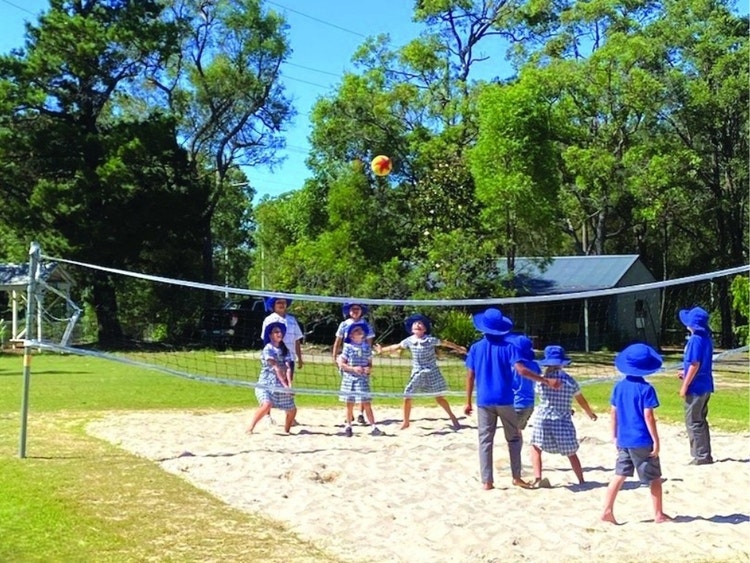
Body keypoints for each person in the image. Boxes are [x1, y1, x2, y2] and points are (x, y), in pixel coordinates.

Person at [464, 308, 561, 490]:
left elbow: (470, 376)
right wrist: (545, 380)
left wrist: (467, 401)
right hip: (505, 399)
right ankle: (516, 477)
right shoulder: (509, 348)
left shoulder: (476, 348)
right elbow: (522, 370)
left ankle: (487, 482)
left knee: (485, 441)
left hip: (484, 400)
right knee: (514, 439)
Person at [602, 342, 672, 524]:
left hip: (624, 439)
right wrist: (656, 441)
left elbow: (613, 412)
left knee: (620, 474)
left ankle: (607, 510)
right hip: (641, 440)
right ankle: (658, 514)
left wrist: (614, 435)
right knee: (655, 478)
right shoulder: (646, 389)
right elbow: (648, 416)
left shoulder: (619, 387)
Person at [376, 313, 464, 430]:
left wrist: (458, 348)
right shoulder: (409, 341)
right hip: (417, 372)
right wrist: (382, 350)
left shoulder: (430, 340)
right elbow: (396, 347)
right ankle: (406, 422)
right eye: (415, 323)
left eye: (420, 323)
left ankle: (453, 418)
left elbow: (445, 343)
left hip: (432, 372)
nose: (418, 325)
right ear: (411, 329)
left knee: (439, 398)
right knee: (407, 396)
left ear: (425, 329)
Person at [529, 345, 597, 487]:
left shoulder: (541, 381)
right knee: (571, 452)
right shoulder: (570, 381)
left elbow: (541, 395)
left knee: (536, 447)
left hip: (543, 418)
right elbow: (581, 400)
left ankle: (537, 477)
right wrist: (590, 413)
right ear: (562, 363)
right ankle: (581, 480)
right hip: (562, 420)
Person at [677, 306, 714, 465]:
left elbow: (695, 364)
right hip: (705, 384)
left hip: (696, 387)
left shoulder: (695, 340)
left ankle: (701, 456)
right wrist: (685, 374)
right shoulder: (706, 339)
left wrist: (684, 385)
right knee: (700, 419)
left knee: (693, 421)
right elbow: (698, 365)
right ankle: (704, 454)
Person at [246, 321, 297, 434]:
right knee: (266, 405)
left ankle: (286, 431)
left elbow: (288, 368)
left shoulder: (285, 350)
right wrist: (285, 386)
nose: (279, 334)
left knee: (292, 410)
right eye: (276, 332)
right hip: (265, 383)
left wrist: (289, 386)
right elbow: (276, 367)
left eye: (280, 332)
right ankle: (250, 428)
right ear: (270, 335)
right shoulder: (268, 348)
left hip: (280, 385)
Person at [261, 296, 304, 425]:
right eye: (278, 302)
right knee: (270, 386)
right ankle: (267, 415)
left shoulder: (292, 320)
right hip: (274, 357)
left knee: (288, 386)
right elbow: (265, 340)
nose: (281, 304)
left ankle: (290, 415)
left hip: (289, 357)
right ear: (273, 305)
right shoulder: (269, 320)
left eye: (284, 302)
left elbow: (297, 340)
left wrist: (299, 357)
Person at [332, 302, 375, 425]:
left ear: (361, 311)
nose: (355, 311)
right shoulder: (344, 324)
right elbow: (338, 340)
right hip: (348, 357)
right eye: (352, 309)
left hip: (361, 357)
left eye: (357, 309)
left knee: (362, 387)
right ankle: (349, 416)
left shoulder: (365, 324)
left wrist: (368, 360)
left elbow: (369, 342)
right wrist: (334, 356)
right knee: (348, 388)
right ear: (349, 311)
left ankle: (361, 414)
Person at [338, 321, 382, 437]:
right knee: (349, 403)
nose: (359, 331)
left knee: (366, 403)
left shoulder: (367, 348)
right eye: (356, 330)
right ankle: (348, 426)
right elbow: (342, 364)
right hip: (349, 378)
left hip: (362, 378)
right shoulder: (348, 347)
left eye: (360, 330)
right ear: (351, 335)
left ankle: (373, 427)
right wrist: (353, 369)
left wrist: (368, 369)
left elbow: (370, 363)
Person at [508, 334, 540, 438]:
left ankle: (515, 454)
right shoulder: (534, 365)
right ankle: (516, 453)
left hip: (515, 404)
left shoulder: (512, 367)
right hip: (529, 405)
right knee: (517, 432)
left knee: (512, 436)